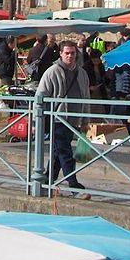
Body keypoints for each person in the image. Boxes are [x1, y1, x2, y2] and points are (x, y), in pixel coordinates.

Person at [36, 41, 91, 198]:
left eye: (72, 53)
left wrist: (85, 120)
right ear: (60, 53)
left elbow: (86, 97)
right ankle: (74, 187)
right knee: (65, 152)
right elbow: (40, 96)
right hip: (57, 119)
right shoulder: (52, 72)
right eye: (67, 53)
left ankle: (46, 183)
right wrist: (37, 121)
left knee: (57, 154)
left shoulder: (82, 73)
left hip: (74, 120)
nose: (70, 56)